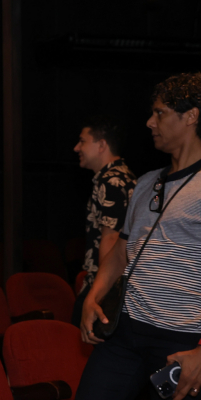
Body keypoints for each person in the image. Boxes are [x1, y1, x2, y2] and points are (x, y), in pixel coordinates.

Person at [66, 72, 201, 400]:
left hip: (182, 344)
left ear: (191, 117)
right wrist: (94, 296)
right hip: (127, 336)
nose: (150, 122)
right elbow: (122, 252)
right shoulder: (147, 182)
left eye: (160, 113)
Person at [71, 117, 137, 326]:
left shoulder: (110, 181)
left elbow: (111, 238)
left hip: (104, 286)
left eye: (82, 141)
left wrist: (100, 293)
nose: (76, 148)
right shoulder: (128, 176)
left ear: (101, 145)